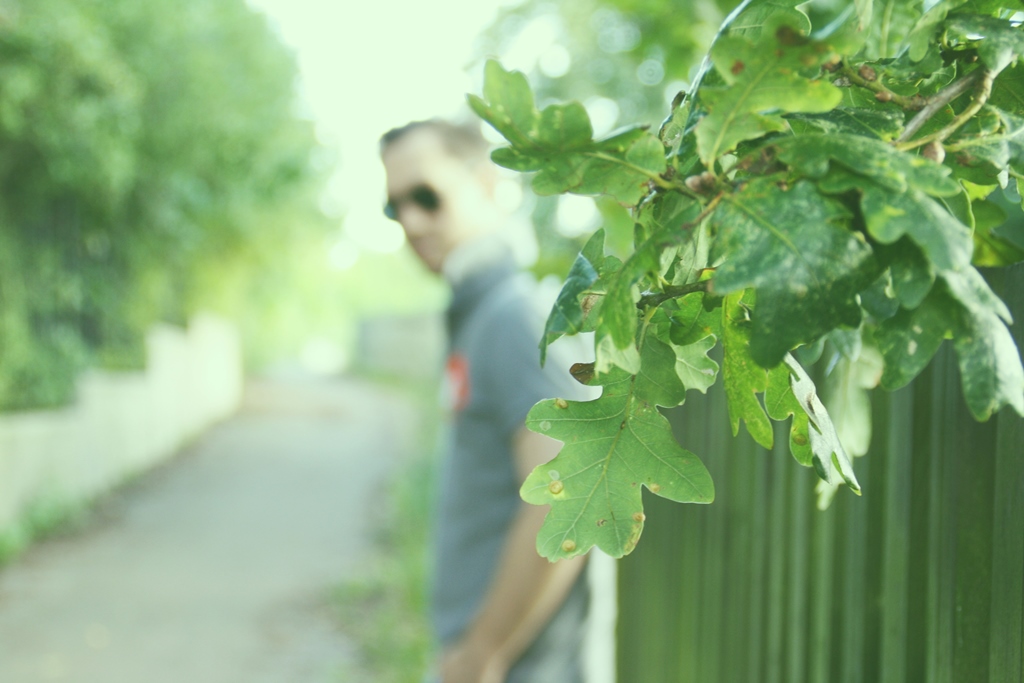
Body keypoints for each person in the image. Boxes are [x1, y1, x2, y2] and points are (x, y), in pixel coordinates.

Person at [379, 119, 589, 683]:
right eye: (395, 207)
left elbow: (565, 499)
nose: (412, 220)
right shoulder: (477, 314)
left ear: (488, 183)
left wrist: (483, 652)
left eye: (427, 196)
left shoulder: (511, 318)